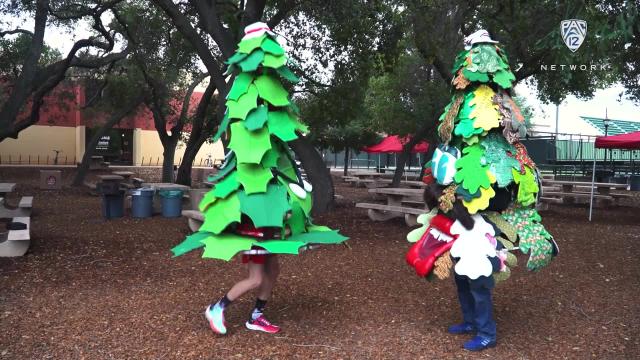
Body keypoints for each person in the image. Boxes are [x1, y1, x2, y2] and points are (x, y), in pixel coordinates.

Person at [205, 253, 281, 334]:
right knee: (255, 280)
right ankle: (217, 308)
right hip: (256, 243)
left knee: (272, 271)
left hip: (269, 242)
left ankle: (256, 316)